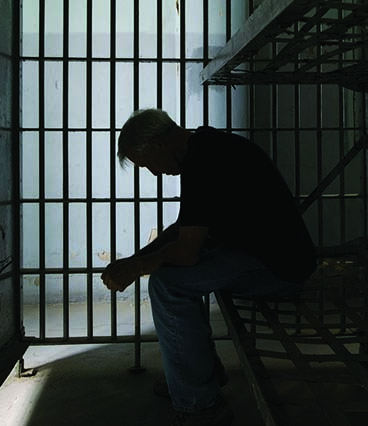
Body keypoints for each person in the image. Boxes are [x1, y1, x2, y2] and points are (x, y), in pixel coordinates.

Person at [101, 108, 316, 426]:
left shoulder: (203, 161)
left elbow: (187, 251)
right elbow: (184, 229)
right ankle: (198, 375)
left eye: (147, 164)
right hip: (271, 255)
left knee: (167, 285)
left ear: (158, 145)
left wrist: (137, 268)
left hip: (278, 268)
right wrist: (135, 262)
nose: (154, 174)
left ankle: (201, 405)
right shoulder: (207, 148)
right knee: (171, 276)